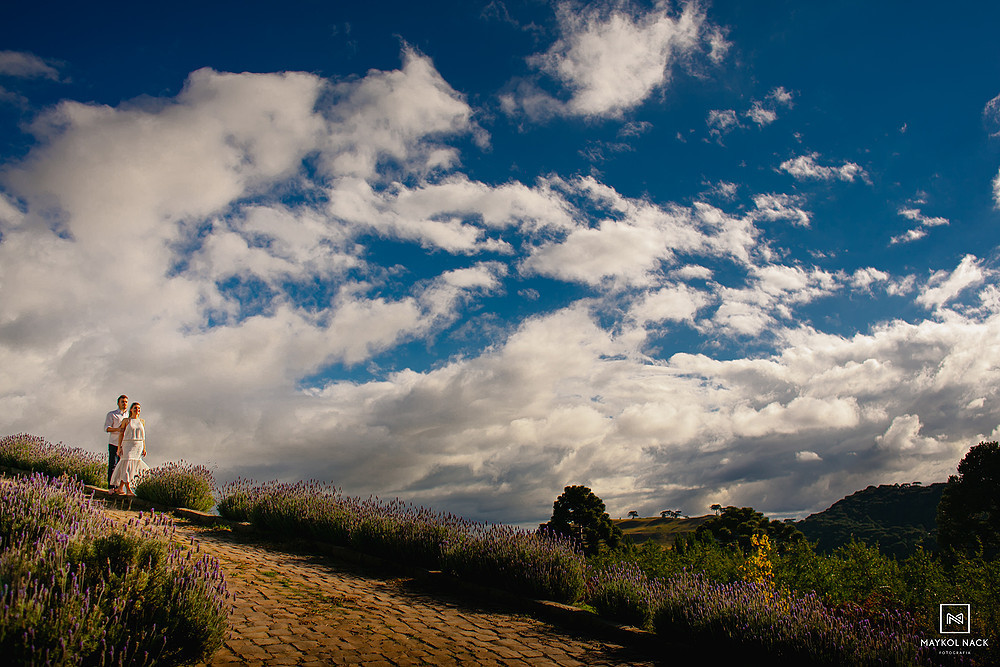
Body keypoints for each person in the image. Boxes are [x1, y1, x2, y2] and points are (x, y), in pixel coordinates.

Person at [110, 402, 150, 496]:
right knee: (126, 465)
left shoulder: (142, 421)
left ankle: (120, 488)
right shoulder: (126, 421)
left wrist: (144, 448)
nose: (137, 410)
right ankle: (128, 489)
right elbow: (121, 434)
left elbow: (143, 436)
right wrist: (119, 447)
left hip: (138, 445)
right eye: (135, 408)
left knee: (133, 467)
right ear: (131, 409)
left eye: (139, 408)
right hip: (128, 444)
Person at [104, 394, 128, 488]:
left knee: (121, 467)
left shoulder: (129, 415)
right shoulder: (112, 414)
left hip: (124, 444)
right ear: (118, 403)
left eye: (126, 402)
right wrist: (118, 429)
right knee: (112, 465)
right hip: (114, 442)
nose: (124, 404)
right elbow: (107, 428)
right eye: (122, 402)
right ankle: (110, 486)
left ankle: (118, 487)